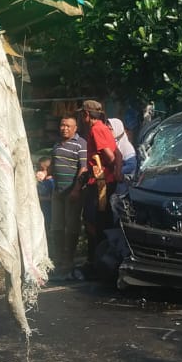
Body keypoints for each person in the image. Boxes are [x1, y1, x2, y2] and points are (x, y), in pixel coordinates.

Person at [77, 99, 121, 279]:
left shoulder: (96, 130)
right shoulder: (105, 128)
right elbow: (118, 153)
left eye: (82, 114)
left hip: (101, 183)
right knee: (100, 221)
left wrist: (111, 169)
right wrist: (117, 171)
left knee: (93, 222)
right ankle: (99, 261)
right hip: (104, 182)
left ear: (86, 115)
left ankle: (96, 262)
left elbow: (110, 156)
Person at [49, 115, 87, 278]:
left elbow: (83, 168)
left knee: (71, 227)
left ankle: (68, 259)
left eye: (68, 126)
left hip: (72, 192)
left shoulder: (81, 144)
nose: (64, 128)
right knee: (56, 226)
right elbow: (53, 165)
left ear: (75, 128)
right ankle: (57, 258)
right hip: (57, 191)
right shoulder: (57, 144)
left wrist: (76, 190)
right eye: (62, 125)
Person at [34, 156, 54, 229]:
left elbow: (52, 198)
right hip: (38, 211)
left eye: (39, 169)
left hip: (48, 212)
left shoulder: (51, 182)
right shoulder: (39, 182)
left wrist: (38, 198)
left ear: (45, 169)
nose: (37, 172)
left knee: (46, 227)